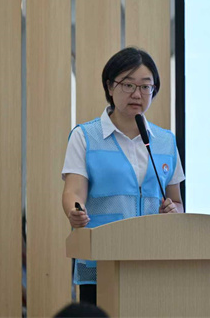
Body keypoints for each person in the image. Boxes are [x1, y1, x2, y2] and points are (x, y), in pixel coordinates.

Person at [61, 47, 185, 305]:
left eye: (145, 86)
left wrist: (173, 212)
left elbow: (177, 201)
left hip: (152, 262)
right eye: (128, 85)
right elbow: (74, 191)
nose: (137, 94)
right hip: (101, 261)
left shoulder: (165, 141)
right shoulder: (85, 136)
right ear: (110, 86)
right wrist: (75, 211)